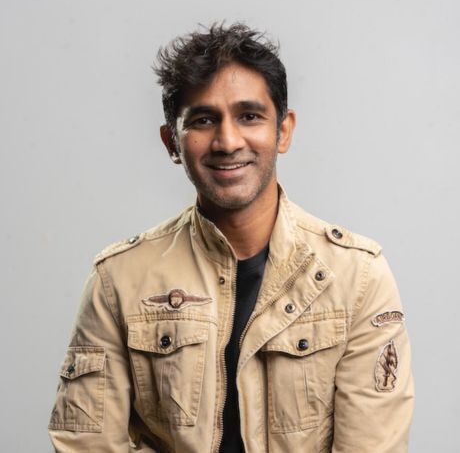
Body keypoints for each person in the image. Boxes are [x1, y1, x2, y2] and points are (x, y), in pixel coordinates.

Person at [48, 23, 414, 452]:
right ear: (171, 142)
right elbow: (87, 445)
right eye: (203, 120)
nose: (227, 141)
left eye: (249, 116)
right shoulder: (118, 281)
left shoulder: (357, 277)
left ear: (283, 130)